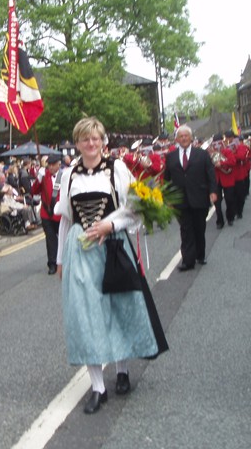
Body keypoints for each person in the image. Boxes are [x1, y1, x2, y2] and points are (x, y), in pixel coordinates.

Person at [55, 116, 168, 415]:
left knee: (118, 307)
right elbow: (66, 219)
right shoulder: (68, 175)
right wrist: (59, 260)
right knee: (85, 316)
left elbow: (133, 210)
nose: (90, 144)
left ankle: (122, 370)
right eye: (84, 139)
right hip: (80, 249)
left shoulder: (116, 168)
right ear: (77, 143)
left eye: (95, 138)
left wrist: (108, 224)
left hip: (113, 246)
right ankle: (97, 388)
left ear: (103, 141)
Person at [164, 125, 217, 271]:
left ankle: (200, 254)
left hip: (199, 198)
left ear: (191, 138)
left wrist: (213, 191)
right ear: (176, 139)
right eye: (181, 136)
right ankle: (188, 261)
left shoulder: (202, 154)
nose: (184, 138)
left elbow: (211, 174)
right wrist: (167, 198)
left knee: (199, 229)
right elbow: (166, 179)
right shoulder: (170, 157)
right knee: (186, 230)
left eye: (186, 135)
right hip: (180, 200)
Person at [31, 154, 63, 274]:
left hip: (60, 213)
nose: (50, 167)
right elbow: (34, 191)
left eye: (52, 164)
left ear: (58, 165)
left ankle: (64, 261)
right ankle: (52, 263)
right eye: (48, 165)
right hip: (46, 213)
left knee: (63, 238)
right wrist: (38, 180)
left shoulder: (63, 176)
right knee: (50, 240)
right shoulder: (44, 176)